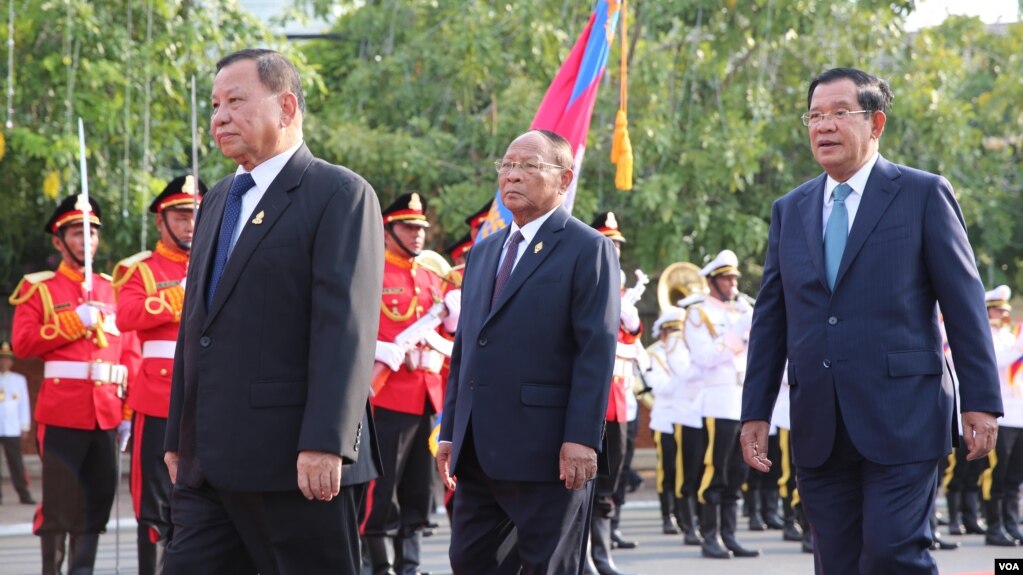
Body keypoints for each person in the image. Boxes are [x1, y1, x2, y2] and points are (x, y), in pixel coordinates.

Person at [740, 67, 1002, 574]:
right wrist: (756, 411)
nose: (824, 126)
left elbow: (965, 303)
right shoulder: (789, 209)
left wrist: (982, 401)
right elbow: (771, 318)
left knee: (892, 554)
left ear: (876, 122)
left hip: (904, 415)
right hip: (819, 419)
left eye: (840, 113)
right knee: (835, 561)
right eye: (815, 116)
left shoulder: (923, 194)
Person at [163, 48, 384, 575]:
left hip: (295, 465)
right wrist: (179, 433)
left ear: (286, 108)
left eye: (235, 101)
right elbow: (197, 325)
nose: (218, 118)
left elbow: (345, 330)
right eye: (214, 105)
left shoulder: (339, 194)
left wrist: (326, 443)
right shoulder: (218, 200)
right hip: (209, 466)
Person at [436, 129, 620, 574]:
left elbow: (594, 352)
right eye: (507, 165)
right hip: (479, 449)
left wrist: (580, 438)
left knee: (547, 566)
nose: (513, 175)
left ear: (565, 179)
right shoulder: (484, 253)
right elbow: (467, 349)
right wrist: (449, 430)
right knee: (470, 562)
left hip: (548, 452)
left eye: (529, 166)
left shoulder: (587, 248)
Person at [9, 194, 135, 574]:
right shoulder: (40, 289)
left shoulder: (113, 288)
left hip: (108, 415)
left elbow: (129, 352)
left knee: (96, 505)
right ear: (58, 241)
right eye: (77, 234)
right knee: (61, 506)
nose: (86, 241)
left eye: (91, 233)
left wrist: (127, 411)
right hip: (63, 413)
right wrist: (72, 322)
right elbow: (24, 343)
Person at [112, 174, 206, 574]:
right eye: (181, 216)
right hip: (158, 397)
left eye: (195, 216)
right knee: (154, 505)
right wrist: (177, 295)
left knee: (205, 499)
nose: (190, 225)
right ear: (160, 222)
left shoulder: (219, 259)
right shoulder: (142, 270)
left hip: (208, 396)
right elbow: (127, 315)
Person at [363, 192, 459, 574]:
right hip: (388, 393)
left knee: (419, 487)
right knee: (381, 488)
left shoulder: (432, 277)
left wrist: (451, 321)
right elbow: (352, 326)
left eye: (420, 228)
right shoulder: (372, 272)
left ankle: (410, 564)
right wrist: (380, 349)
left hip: (427, 394)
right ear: (388, 231)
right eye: (408, 227)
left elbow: (446, 338)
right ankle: (379, 564)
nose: (417, 235)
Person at [685, 249, 759, 559]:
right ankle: (710, 535)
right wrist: (735, 336)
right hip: (716, 401)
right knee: (714, 470)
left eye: (734, 278)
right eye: (726, 278)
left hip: (741, 400)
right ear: (713, 280)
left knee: (737, 471)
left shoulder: (740, 309)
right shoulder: (698, 313)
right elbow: (703, 359)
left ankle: (730, 535)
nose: (732, 283)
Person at [584, 211, 640, 575]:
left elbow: (631, 341)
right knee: (582, 484)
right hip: (591, 400)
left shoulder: (621, 296)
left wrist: (630, 315)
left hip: (618, 401)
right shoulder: (586, 285)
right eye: (608, 243)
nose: (614, 250)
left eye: (617, 244)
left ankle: (601, 553)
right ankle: (584, 555)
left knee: (608, 483)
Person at [644, 306, 704, 545]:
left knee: (693, 469)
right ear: (663, 333)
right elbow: (661, 387)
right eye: (673, 331)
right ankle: (668, 515)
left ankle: (687, 516)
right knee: (668, 470)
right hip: (665, 420)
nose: (678, 336)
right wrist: (683, 376)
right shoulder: (656, 355)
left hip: (689, 416)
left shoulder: (689, 351)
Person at [981, 285, 1023, 547]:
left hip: (1019, 413)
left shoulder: (1009, 336)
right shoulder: (986, 335)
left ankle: (1011, 522)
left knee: (1015, 476)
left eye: (1003, 309)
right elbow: (996, 362)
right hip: (1002, 414)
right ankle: (994, 526)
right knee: (996, 474)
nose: (1001, 313)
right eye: (996, 308)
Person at [0, 340, 34, 505]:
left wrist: (24, 426)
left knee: (16, 463)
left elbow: (24, 404)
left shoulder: (18, 380)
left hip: (12, 427)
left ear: (12, 361)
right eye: (1, 359)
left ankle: (24, 494)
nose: (4, 362)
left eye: (7, 359)